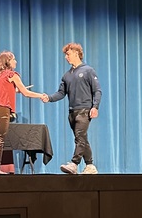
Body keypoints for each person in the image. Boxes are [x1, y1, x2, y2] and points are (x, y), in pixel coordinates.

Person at [43, 42, 101, 174]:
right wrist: (49, 98)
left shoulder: (88, 70)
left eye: (68, 54)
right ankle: (90, 165)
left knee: (80, 137)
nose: (66, 57)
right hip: (72, 112)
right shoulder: (67, 75)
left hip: (85, 110)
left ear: (76, 53)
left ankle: (74, 164)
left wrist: (95, 106)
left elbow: (97, 90)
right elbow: (61, 93)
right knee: (81, 139)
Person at [0, 51, 46, 175]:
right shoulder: (12, 75)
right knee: (0, 139)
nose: (16, 62)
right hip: (2, 109)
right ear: (8, 61)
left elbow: (3, 91)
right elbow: (26, 93)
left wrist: (15, 90)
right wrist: (40, 95)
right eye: (14, 59)